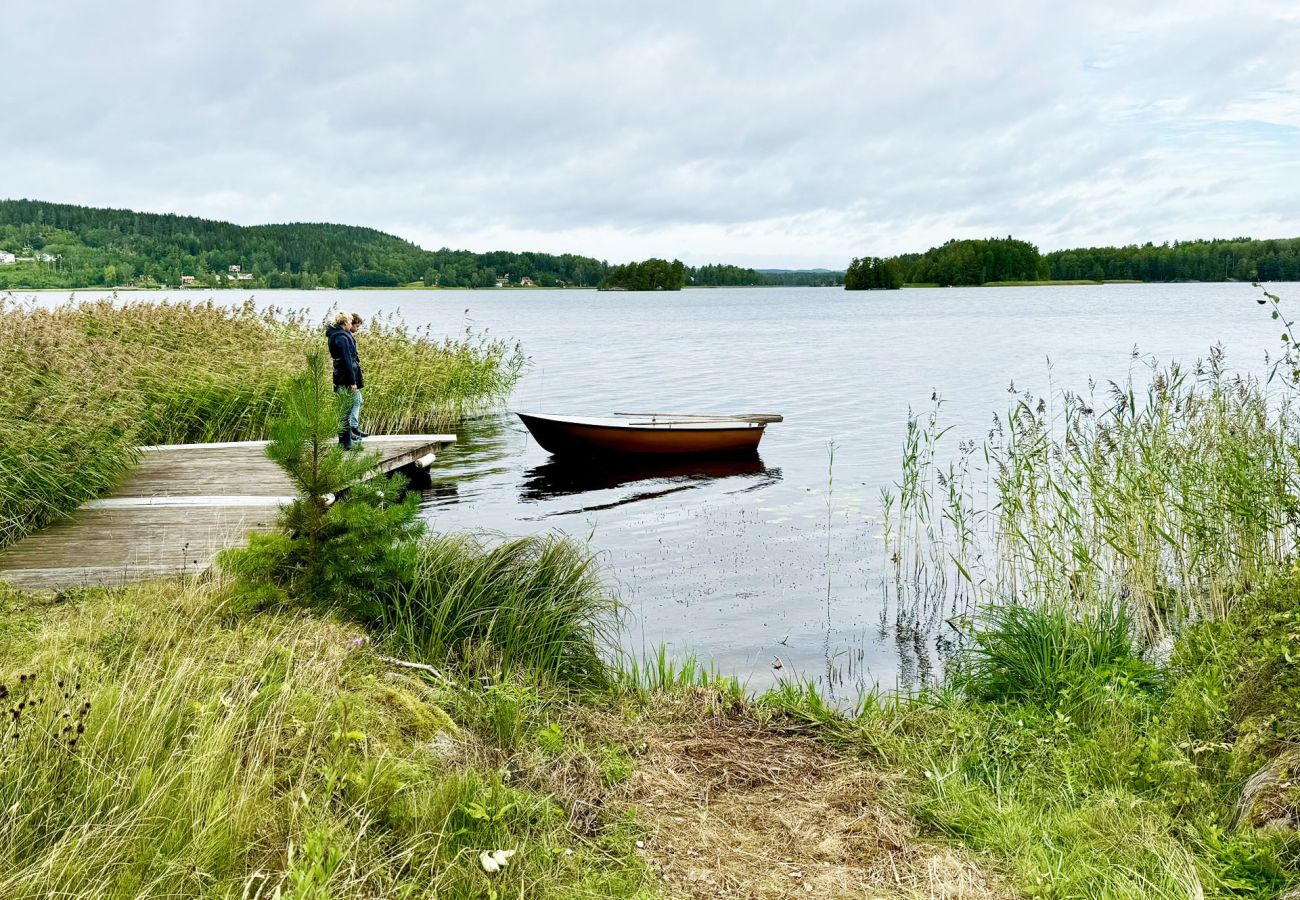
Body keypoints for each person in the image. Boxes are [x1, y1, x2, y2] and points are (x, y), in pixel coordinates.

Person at [325, 311, 366, 449]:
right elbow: (346, 360)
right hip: (344, 376)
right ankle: (345, 442)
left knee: (346, 408)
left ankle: (347, 440)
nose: (351, 324)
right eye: (350, 322)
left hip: (341, 374)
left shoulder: (339, 335)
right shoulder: (341, 337)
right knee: (344, 409)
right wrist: (352, 381)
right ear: (345, 323)